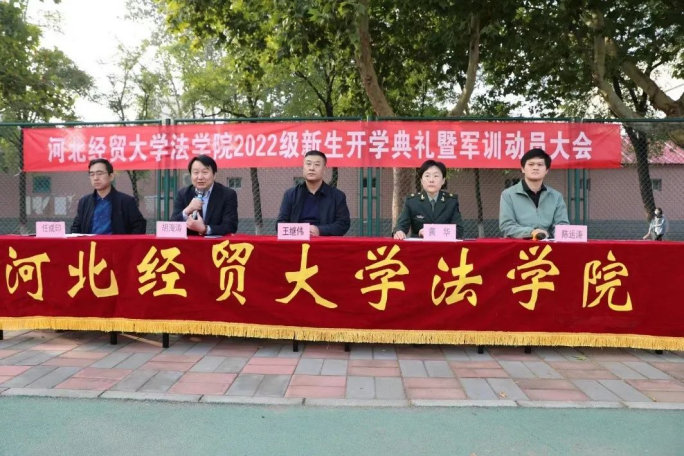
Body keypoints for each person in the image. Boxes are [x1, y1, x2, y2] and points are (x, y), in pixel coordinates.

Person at [499, 148, 569, 239]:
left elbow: (562, 224)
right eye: (531, 164)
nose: (535, 168)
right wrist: (532, 232)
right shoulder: (508, 195)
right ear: (523, 169)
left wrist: (552, 234)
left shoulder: (556, 196)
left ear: (546, 170)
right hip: (519, 244)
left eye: (540, 165)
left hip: (548, 244)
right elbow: (506, 226)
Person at [277, 150, 350, 236]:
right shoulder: (290, 194)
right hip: (296, 240)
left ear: (324, 169)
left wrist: (320, 230)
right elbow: (280, 224)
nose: (311, 168)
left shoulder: (337, 196)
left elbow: (343, 224)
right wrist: (302, 231)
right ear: (303, 167)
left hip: (325, 241)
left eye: (317, 164)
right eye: (308, 164)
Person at [71, 158, 146, 234]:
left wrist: (126, 241)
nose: (95, 178)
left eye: (100, 173)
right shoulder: (84, 202)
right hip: (91, 242)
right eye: (92, 174)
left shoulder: (126, 201)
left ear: (111, 176)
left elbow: (139, 225)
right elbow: (76, 227)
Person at [393, 159, 464, 239]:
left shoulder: (451, 201)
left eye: (436, 176)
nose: (431, 180)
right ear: (421, 181)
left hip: (444, 245)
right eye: (427, 176)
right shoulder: (412, 201)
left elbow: (458, 231)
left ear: (443, 181)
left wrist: (431, 232)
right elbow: (401, 226)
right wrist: (399, 232)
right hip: (419, 245)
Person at [171, 155, 238, 236]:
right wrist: (188, 209)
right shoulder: (183, 194)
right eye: (196, 173)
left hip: (216, 243)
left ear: (214, 175)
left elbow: (230, 226)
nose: (200, 177)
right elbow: (172, 226)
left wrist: (204, 229)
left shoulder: (227, 194)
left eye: (205, 172)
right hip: (190, 242)